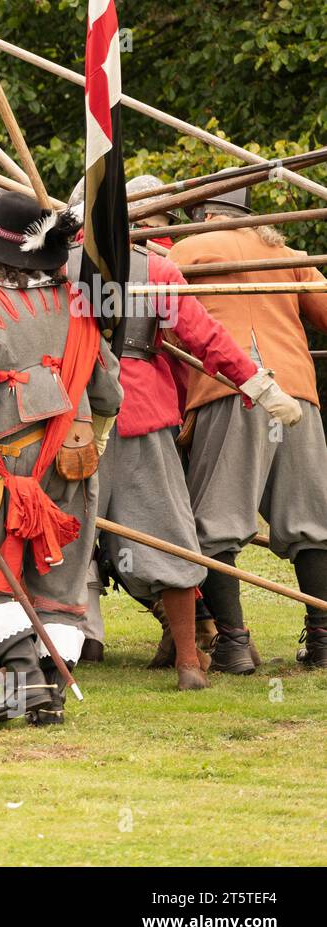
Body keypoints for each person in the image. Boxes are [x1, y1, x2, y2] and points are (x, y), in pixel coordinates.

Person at [70, 177, 294, 690]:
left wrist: (255, 383)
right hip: (132, 412)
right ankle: (189, 661)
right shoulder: (155, 269)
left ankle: (82, 650)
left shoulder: (60, 270)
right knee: (164, 539)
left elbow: (205, 337)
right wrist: (254, 382)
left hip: (75, 418)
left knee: (70, 535)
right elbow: (207, 339)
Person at [0, 193, 122, 726]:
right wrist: (97, 443)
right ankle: (43, 698)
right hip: (75, 461)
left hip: (9, 466)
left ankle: (27, 679)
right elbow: (109, 396)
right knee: (58, 579)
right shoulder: (81, 305)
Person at [167, 186, 327, 672]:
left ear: (204, 214)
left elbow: (163, 325)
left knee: (216, 523)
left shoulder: (185, 250)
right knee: (313, 523)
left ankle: (234, 644)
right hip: (297, 394)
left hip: (231, 390)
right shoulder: (287, 253)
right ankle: (323, 641)